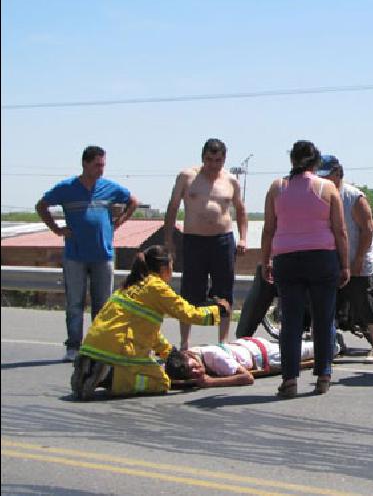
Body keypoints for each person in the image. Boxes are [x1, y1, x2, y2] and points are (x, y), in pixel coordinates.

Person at [70, 245, 229, 400]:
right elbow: (190, 314)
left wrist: (169, 353)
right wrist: (219, 310)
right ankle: (112, 377)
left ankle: (94, 366)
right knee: (161, 382)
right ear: (164, 268)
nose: (172, 272)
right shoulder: (157, 287)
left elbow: (146, 332)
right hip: (119, 350)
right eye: (171, 267)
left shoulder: (130, 284)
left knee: (149, 367)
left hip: (92, 346)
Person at [261, 140, 349, 398]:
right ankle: (323, 375)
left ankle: (289, 379)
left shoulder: (277, 188)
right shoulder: (328, 188)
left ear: (292, 160)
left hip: (287, 259)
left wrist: (265, 260)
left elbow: (268, 229)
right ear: (316, 162)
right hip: (322, 257)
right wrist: (344, 264)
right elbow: (340, 231)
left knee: (291, 321)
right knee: (323, 318)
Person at [35, 146, 139, 362]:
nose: (101, 169)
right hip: (75, 255)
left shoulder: (109, 187)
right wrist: (57, 229)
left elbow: (133, 201)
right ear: (85, 163)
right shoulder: (67, 188)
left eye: (103, 165)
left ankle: (98, 346)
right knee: (75, 302)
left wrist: (119, 221)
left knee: (102, 304)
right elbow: (42, 205)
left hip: (103, 254)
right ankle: (73, 346)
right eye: (97, 165)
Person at [164, 138, 247, 350]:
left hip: (222, 240)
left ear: (224, 159)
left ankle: (223, 341)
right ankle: (184, 342)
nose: (213, 165)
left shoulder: (231, 181)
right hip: (194, 240)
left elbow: (240, 210)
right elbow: (173, 208)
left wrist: (243, 237)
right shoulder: (187, 176)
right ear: (203, 158)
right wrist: (168, 240)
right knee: (190, 291)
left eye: (218, 160)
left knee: (224, 290)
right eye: (209, 160)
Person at [317, 154, 373, 363]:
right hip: (334, 261)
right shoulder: (323, 196)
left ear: (338, 173)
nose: (323, 180)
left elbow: (368, 230)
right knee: (329, 306)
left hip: (359, 262)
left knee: (369, 304)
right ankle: (331, 344)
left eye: (327, 176)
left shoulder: (353, 197)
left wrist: (358, 259)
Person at [164, 336, 319, 388]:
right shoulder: (187, 355)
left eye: (194, 367)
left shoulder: (215, 358)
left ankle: (333, 343)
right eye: (191, 373)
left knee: (312, 350)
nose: (196, 372)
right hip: (246, 346)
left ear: (190, 357)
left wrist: (210, 382)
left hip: (264, 355)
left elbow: (247, 378)